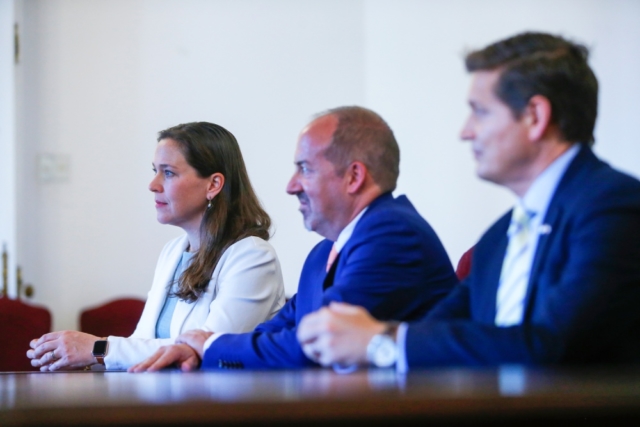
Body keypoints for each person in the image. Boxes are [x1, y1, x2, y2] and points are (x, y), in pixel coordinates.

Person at [296, 32, 640, 369]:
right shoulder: (498, 238)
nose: (466, 131)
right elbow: (434, 333)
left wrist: (379, 342)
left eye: (480, 112)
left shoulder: (614, 207)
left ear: (535, 116)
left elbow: (551, 345)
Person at [129, 106, 458, 372]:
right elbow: (278, 330)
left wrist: (209, 345)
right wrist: (195, 348)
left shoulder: (392, 233)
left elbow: (320, 343)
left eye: (305, 169)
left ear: (354, 177)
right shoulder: (323, 253)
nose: (291, 186)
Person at [27, 122, 286, 371]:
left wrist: (97, 349)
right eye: (155, 171)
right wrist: (78, 354)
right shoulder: (173, 252)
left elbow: (207, 350)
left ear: (213, 184)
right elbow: (142, 342)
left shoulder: (253, 256)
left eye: (169, 173)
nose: (153, 185)